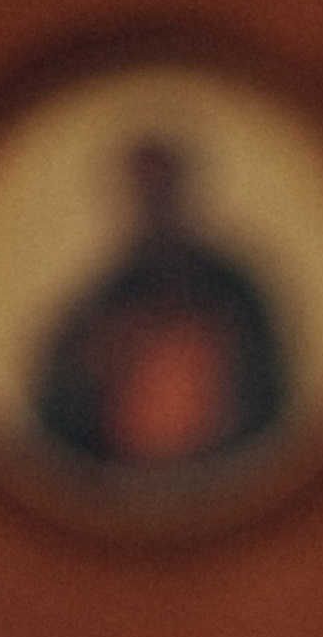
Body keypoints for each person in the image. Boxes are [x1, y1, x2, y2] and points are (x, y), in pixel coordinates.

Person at [31, 136, 287, 478]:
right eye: (142, 193)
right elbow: (57, 415)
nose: (152, 206)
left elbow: (270, 407)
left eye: (162, 191)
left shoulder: (237, 297)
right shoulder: (98, 304)